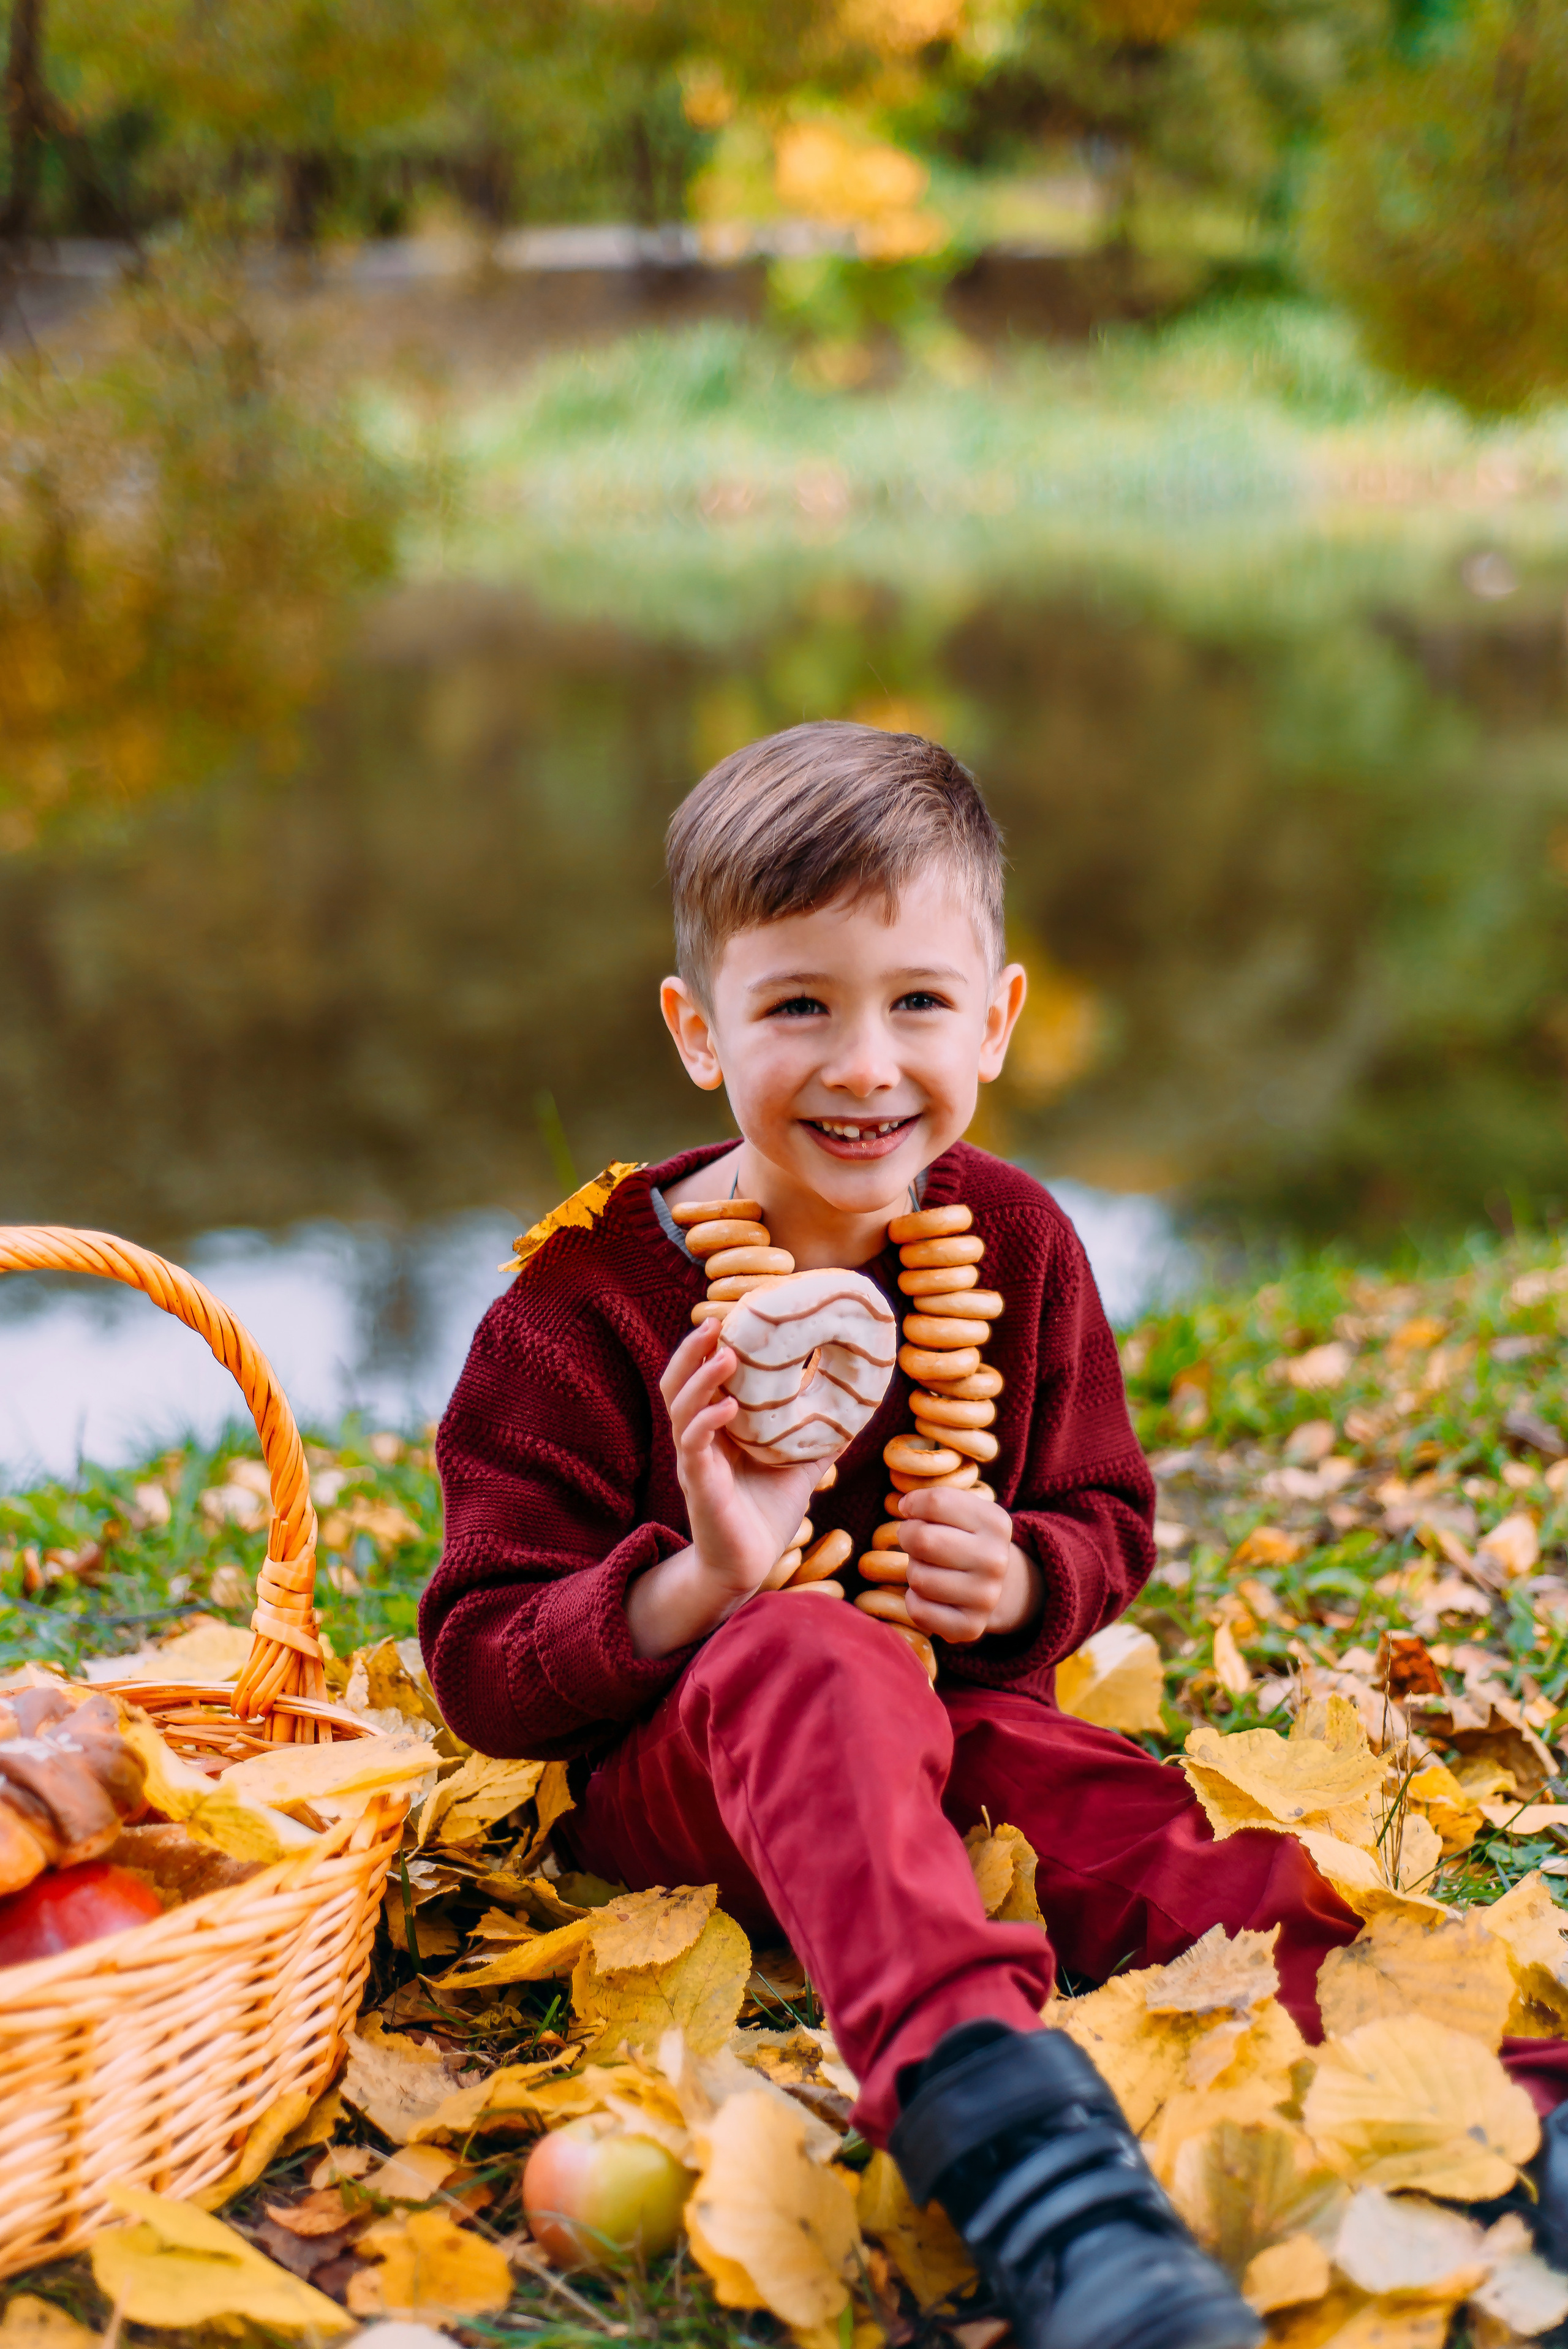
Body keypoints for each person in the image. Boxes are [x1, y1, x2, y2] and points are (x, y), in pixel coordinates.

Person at [421, 721, 1566, 2349]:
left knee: (1128, 1819)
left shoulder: (1017, 1242)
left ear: (1000, 1014)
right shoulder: (579, 1299)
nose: (866, 1063)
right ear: (698, 1029)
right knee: (809, 1649)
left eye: (918, 1002)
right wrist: (698, 1584)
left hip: (958, 1730)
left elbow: (1109, 1513)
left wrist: (1028, 1571)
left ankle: (1507, 2115)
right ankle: (1043, 2187)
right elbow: (478, 1660)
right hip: (688, 1781)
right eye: (799, 1004)